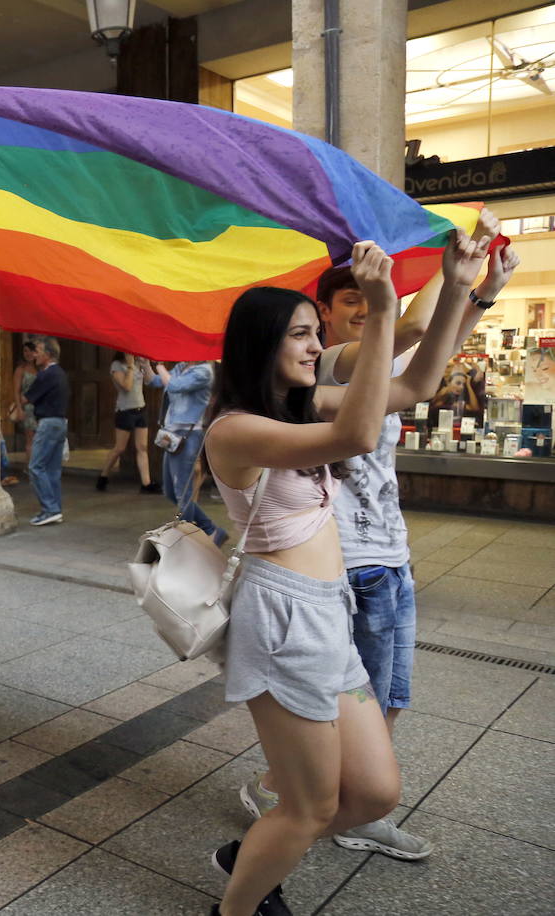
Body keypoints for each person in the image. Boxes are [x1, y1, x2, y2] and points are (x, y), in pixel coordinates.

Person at [203, 231, 493, 916]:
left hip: (328, 611)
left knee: (373, 794)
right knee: (310, 805)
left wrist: (460, 286)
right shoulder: (234, 429)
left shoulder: (304, 404)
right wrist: (382, 304)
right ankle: (237, 904)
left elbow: (416, 384)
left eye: (314, 333)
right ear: (260, 344)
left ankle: (256, 854)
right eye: (300, 335)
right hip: (282, 621)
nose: (314, 347)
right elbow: (359, 436)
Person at [149, 360, 225, 545]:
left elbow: (174, 386)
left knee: (182, 491)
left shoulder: (204, 371)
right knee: (169, 491)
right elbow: (154, 382)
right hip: (171, 435)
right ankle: (210, 529)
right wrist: (145, 365)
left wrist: (158, 363)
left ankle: (188, 537)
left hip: (188, 436)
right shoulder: (182, 366)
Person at [21, 336, 68, 526]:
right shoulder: (60, 373)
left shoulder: (46, 374)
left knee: (36, 466)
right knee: (52, 469)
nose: (34, 355)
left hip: (48, 423)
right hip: (60, 422)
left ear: (48, 354)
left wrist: (15, 406)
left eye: (38, 351)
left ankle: (50, 508)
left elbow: (27, 398)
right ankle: (55, 509)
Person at [97, 353, 159, 493]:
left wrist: (146, 364)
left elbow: (149, 381)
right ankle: (103, 476)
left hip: (140, 409)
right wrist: (130, 366)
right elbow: (127, 386)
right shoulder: (116, 365)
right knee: (120, 448)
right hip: (125, 411)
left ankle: (146, 484)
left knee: (142, 447)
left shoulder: (138, 362)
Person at [10, 338, 39, 460]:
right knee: (30, 438)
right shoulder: (20, 370)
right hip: (27, 408)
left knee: (39, 439)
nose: (29, 354)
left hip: (40, 407)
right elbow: (16, 391)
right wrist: (20, 409)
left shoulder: (40, 369)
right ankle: (30, 467)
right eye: (26, 351)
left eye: (32, 351)